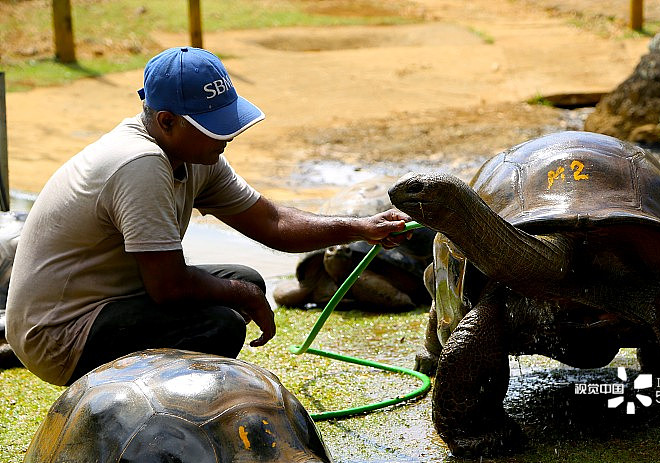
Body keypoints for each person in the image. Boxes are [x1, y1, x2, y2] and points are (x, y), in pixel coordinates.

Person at [6, 46, 412, 386]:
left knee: (245, 282)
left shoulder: (196, 153)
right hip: (60, 333)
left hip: (112, 299)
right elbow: (168, 286)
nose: (229, 136)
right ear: (166, 121)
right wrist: (242, 297)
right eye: (214, 127)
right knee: (219, 324)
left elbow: (272, 223)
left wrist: (361, 227)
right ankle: (145, 414)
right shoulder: (139, 164)